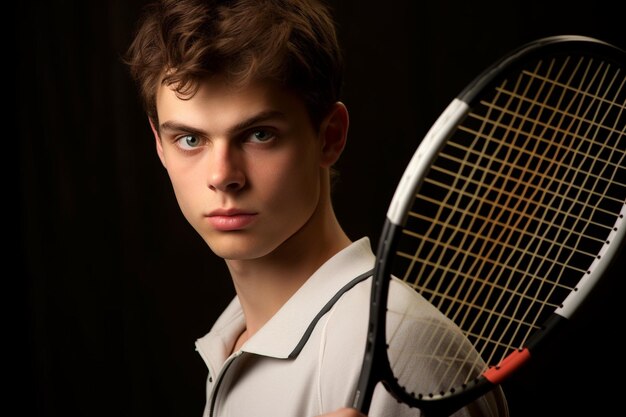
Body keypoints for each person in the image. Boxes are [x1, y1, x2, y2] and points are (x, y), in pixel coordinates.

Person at [124, 0, 509, 416]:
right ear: (159, 145)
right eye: (191, 140)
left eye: (258, 135)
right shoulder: (233, 335)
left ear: (330, 137)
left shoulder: (402, 350)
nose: (223, 176)